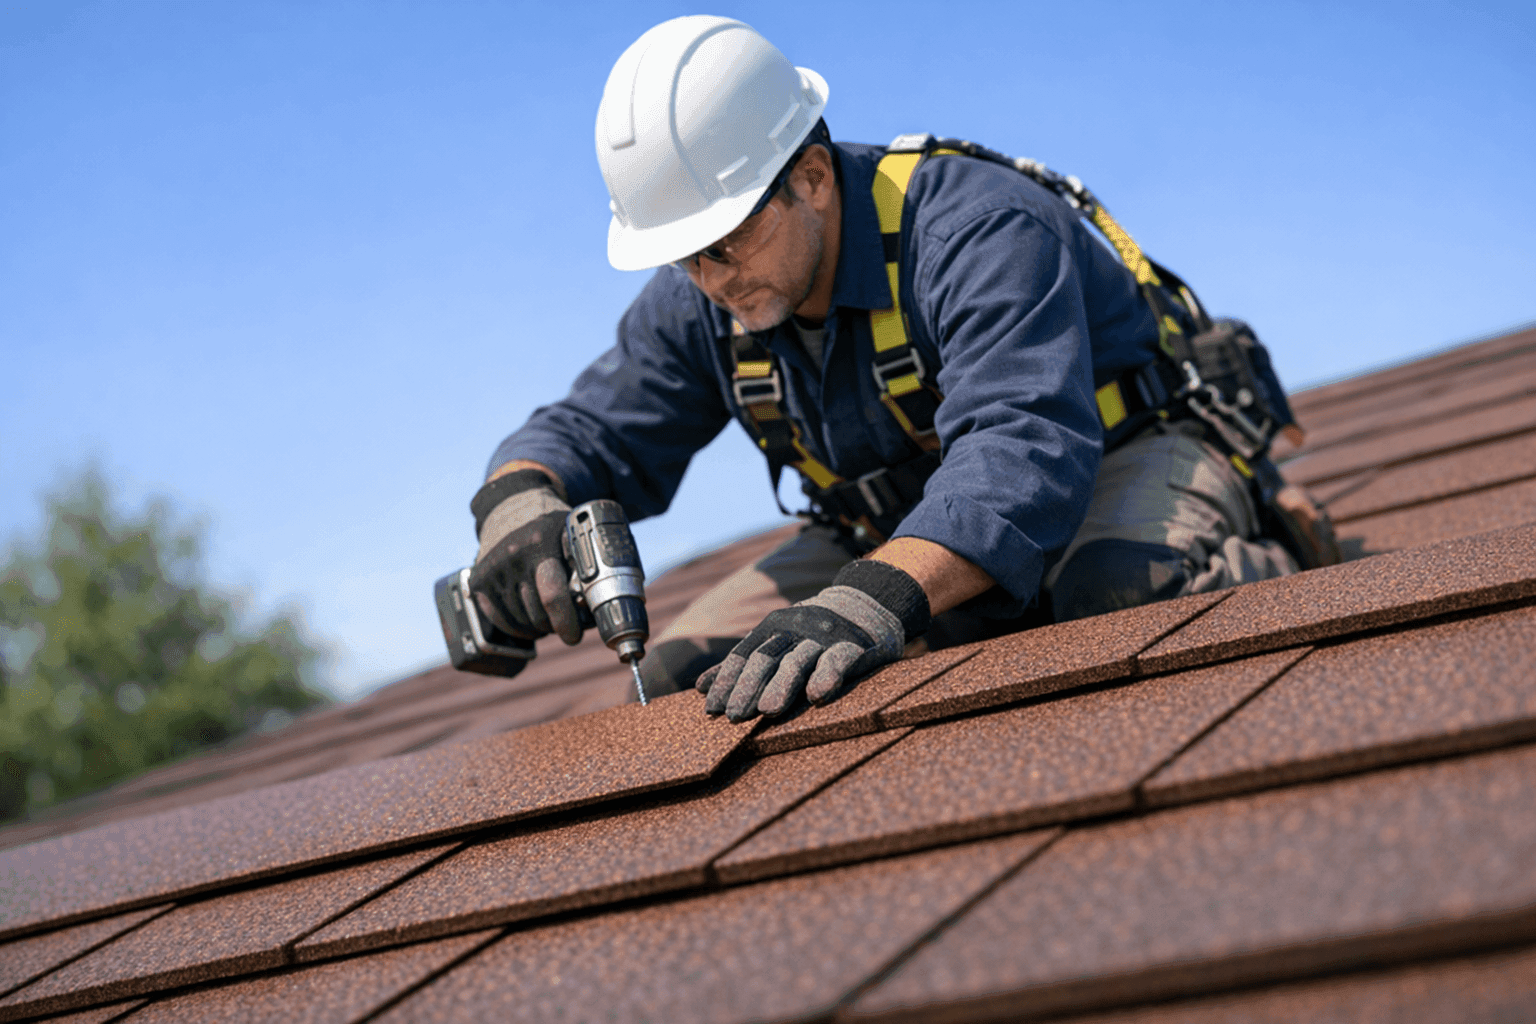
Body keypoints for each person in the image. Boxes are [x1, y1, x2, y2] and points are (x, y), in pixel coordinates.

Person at [468, 16, 1326, 723]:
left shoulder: (976, 229)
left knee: (1114, 595)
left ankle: (1265, 556)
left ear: (810, 177)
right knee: (698, 677)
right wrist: (519, 497)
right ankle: (952, 598)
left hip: (1115, 456)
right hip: (900, 517)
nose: (710, 281)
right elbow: (589, 428)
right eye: (686, 258)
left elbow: (1023, 446)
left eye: (725, 245)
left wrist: (880, 596)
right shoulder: (703, 291)